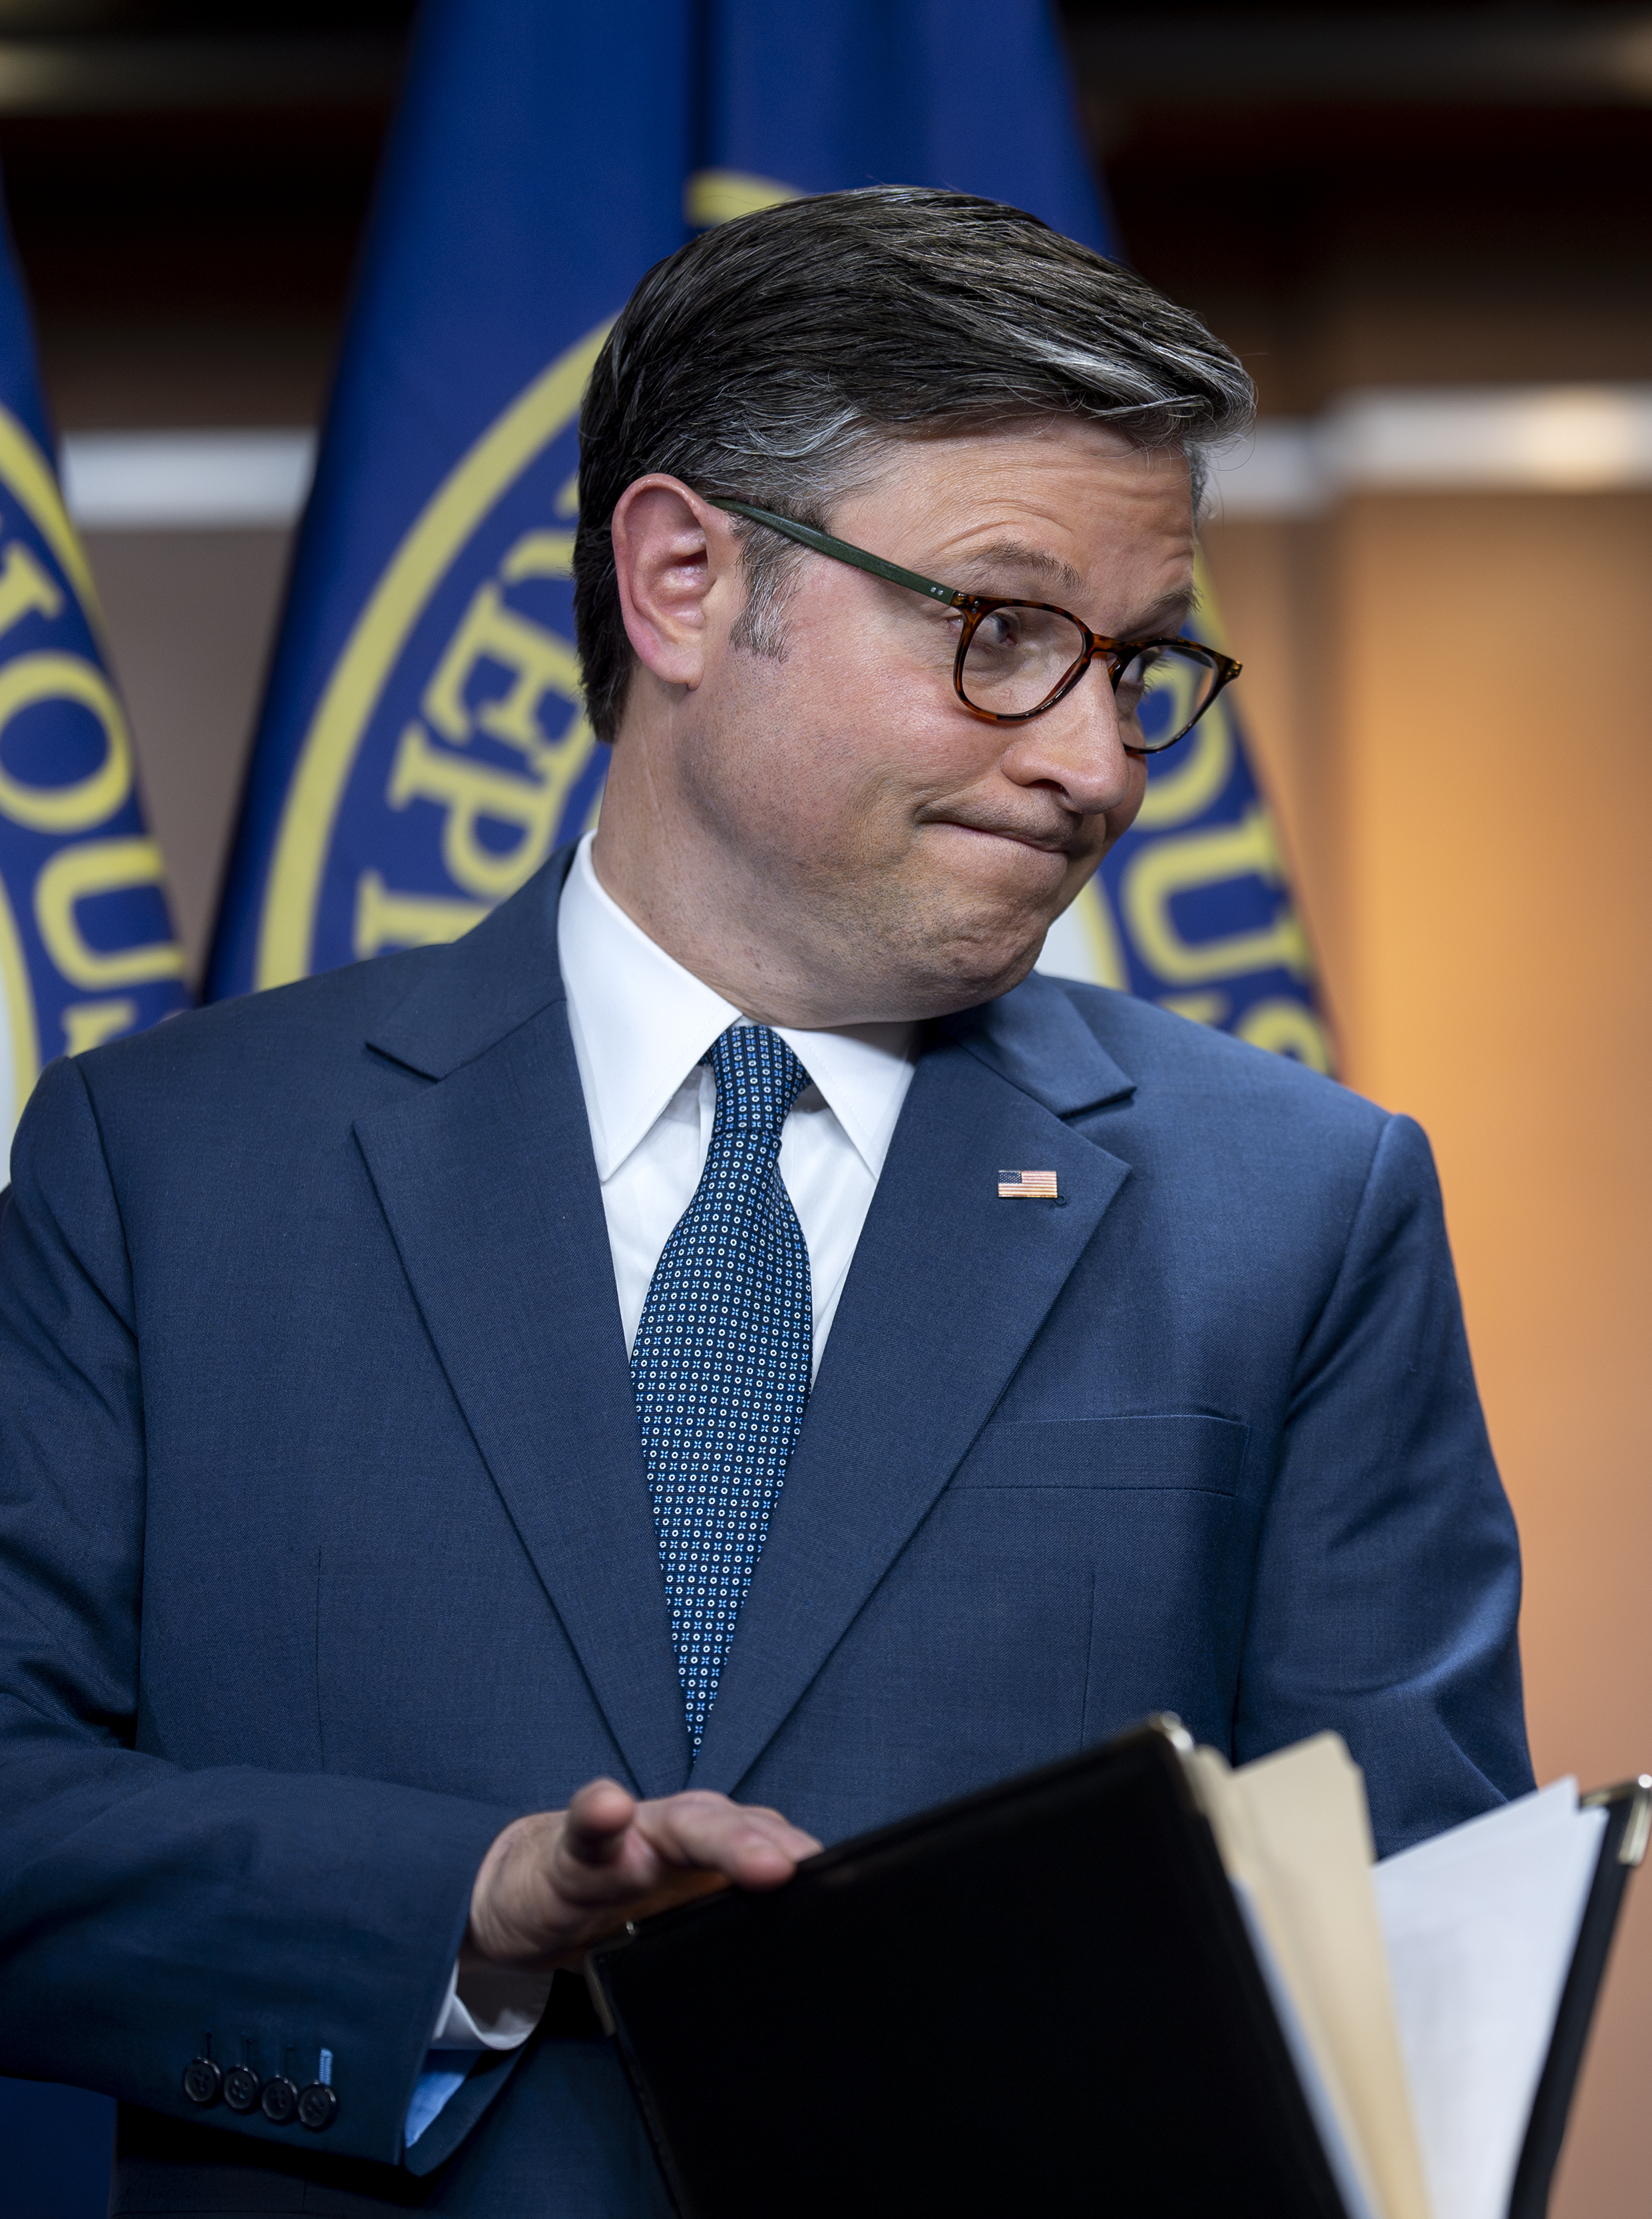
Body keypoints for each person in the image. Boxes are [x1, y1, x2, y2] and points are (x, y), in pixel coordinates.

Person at [0, 187, 1529, 2212]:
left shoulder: (1304, 1207)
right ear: (687, 581)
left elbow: (1412, 1969)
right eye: (1002, 636)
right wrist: (463, 1908)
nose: (1095, 764)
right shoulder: (166, 1166)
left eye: (1142, 666)